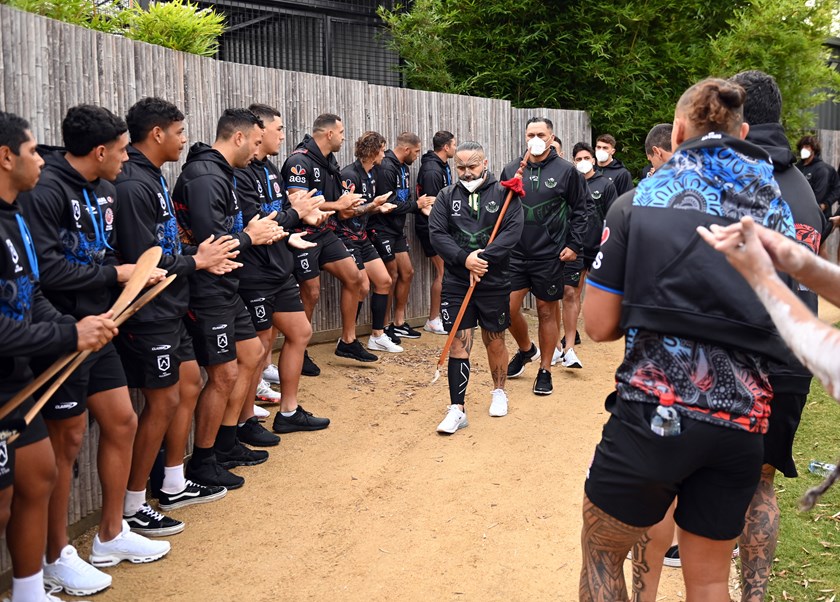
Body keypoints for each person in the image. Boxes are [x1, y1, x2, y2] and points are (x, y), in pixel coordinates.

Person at [579, 78, 797, 601]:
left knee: (601, 560)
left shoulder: (637, 202)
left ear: (677, 132)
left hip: (653, 417)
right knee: (708, 582)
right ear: (743, 133)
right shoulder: (775, 211)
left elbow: (599, 325)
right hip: (741, 425)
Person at [20, 105, 171, 596]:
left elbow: (102, 254)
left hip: (103, 328)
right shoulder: (44, 193)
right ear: (101, 151)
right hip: (62, 334)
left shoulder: (104, 191)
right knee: (64, 444)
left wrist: (136, 277)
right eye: (124, 150)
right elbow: (44, 272)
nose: (128, 159)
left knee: (123, 420)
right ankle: (55, 555)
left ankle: (110, 535)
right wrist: (119, 274)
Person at [0, 111, 117, 602]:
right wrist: (69, 337)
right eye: (32, 152)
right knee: (3, 504)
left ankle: (30, 591)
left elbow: (32, 292)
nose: (41, 162)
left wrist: (74, 329)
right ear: (6, 157)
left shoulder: (15, 216)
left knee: (40, 473)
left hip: (18, 375)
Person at [114, 97, 238, 536]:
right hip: (148, 314)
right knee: (163, 399)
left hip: (171, 306)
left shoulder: (150, 176)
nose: (186, 141)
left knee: (186, 386)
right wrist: (197, 261)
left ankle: (171, 482)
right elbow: (141, 262)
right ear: (157, 134)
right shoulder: (131, 184)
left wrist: (197, 256)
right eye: (180, 132)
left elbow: (167, 248)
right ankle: (132, 506)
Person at [173, 108, 285, 490]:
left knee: (252, 355)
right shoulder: (205, 177)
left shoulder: (222, 173)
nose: (258, 150)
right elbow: (213, 243)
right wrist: (252, 236)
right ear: (238, 138)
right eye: (255, 142)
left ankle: (228, 439)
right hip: (206, 291)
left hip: (227, 287)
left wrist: (253, 232)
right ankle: (205, 460)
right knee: (223, 374)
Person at [233, 103, 332, 440]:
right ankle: (246, 420)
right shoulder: (239, 173)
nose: (282, 136)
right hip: (255, 273)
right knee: (257, 348)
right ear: (257, 132)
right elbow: (256, 225)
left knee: (300, 332)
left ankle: (288, 412)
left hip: (279, 267)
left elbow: (280, 217)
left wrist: (295, 229)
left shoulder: (270, 169)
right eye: (278, 129)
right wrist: (296, 215)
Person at [429, 141, 523, 433]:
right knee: (459, 341)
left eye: (472, 166)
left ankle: (499, 391)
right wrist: (464, 259)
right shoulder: (446, 196)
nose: (466, 173)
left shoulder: (505, 194)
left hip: (493, 279)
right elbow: (437, 234)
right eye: (460, 167)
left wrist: (482, 260)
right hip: (457, 280)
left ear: (485, 163)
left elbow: (512, 232)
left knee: (494, 339)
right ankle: (457, 408)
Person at [281, 113, 374, 372]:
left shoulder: (329, 162)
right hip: (302, 235)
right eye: (341, 132)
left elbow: (337, 206)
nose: (344, 137)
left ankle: (347, 341)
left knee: (355, 279)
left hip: (326, 232)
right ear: (329, 134)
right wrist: (338, 204)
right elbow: (298, 201)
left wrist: (352, 204)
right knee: (310, 292)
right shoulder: (299, 161)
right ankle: (300, 350)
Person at [502, 117, 588, 395]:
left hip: (550, 254)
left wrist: (574, 245)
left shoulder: (567, 171)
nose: (535, 139)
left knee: (546, 310)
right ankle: (527, 350)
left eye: (541, 134)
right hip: (515, 253)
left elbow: (581, 210)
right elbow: (501, 211)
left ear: (551, 138)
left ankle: (545, 369)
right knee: (506, 308)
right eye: (530, 134)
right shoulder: (512, 169)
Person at [336, 131, 402, 353]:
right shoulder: (349, 175)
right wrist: (374, 205)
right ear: (374, 151)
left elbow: (364, 210)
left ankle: (377, 335)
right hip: (345, 238)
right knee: (362, 287)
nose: (385, 154)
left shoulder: (371, 174)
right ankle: (348, 339)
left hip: (362, 236)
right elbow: (344, 214)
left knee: (384, 281)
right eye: (383, 149)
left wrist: (379, 208)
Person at [554, 142, 617, 367]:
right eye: (578, 158)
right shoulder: (568, 181)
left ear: (593, 160)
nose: (583, 162)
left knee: (594, 291)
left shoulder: (605, 185)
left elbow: (612, 215)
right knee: (571, 291)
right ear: (573, 161)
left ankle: (600, 326)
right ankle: (566, 344)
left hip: (597, 246)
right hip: (574, 246)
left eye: (586, 158)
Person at [368, 132, 435, 343]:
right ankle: (384, 325)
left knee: (407, 272)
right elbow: (390, 205)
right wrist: (417, 206)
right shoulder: (386, 167)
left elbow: (402, 198)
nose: (417, 156)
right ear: (406, 150)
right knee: (391, 275)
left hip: (397, 230)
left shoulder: (403, 167)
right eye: (415, 152)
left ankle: (399, 322)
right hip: (381, 227)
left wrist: (418, 203)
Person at [416, 130, 456, 335]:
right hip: (432, 227)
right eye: (454, 145)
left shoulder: (441, 165)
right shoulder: (432, 169)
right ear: (446, 147)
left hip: (441, 226)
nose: (455, 149)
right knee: (443, 272)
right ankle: (432, 320)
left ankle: (443, 315)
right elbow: (429, 205)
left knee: (447, 271)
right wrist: (444, 229)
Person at [796, 134, 840, 220]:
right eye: (802, 147)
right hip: (798, 212)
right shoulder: (797, 168)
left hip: (818, 216)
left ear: (813, 149)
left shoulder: (823, 169)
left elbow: (836, 189)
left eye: (807, 146)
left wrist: (825, 204)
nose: (803, 149)